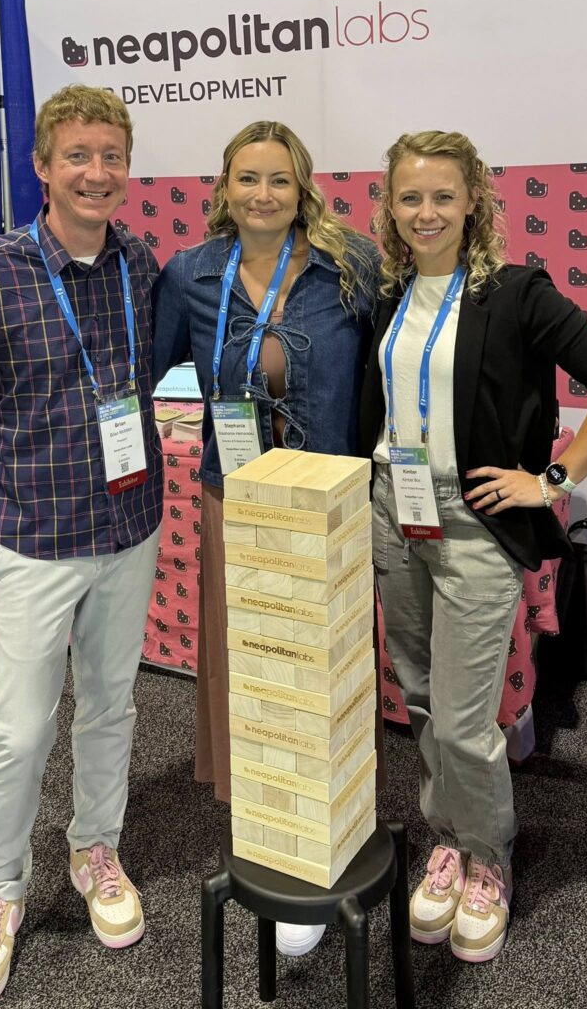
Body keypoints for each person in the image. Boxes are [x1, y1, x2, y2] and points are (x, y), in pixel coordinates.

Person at [357, 130, 587, 963]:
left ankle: (489, 857)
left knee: (461, 718)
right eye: (410, 197)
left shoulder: (516, 292)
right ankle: (447, 837)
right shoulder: (388, 295)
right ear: (390, 206)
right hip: (394, 511)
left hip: (473, 522)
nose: (426, 212)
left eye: (442, 197)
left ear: (473, 204)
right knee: (418, 697)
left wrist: (551, 479)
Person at [0, 85, 163, 1006]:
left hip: (128, 527)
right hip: (31, 535)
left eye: (111, 156)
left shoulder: (140, 264)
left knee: (110, 708)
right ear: (42, 165)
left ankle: (94, 848)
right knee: (20, 727)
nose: (96, 172)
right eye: (78, 156)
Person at [152, 121, 381, 956]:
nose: (262, 194)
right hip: (237, 500)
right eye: (247, 179)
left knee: (324, 667)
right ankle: (272, 832)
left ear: (303, 188)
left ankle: (332, 825)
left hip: (327, 503)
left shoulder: (352, 265)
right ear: (223, 188)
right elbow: (145, 369)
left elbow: (391, 364)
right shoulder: (191, 275)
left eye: (279, 180)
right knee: (254, 666)